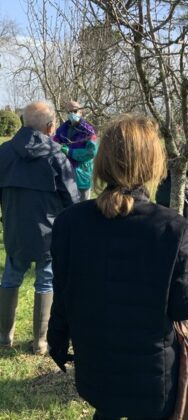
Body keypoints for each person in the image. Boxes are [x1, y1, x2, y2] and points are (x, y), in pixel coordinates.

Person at [47, 114, 188, 420]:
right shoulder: (171, 227)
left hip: (95, 368)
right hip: (152, 375)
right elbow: (184, 308)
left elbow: (62, 293)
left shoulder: (70, 222)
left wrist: (57, 340)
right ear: (153, 163)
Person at [0, 101, 79, 354]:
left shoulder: (4, 153)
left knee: (11, 278)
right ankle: (40, 342)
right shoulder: (57, 155)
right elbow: (73, 200)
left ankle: (4, 336)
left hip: (14, 230)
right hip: (48, 233)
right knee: (46, 282)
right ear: (49, 127)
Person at [53, 100, 97, 201]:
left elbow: (91, 152)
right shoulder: (62, 129)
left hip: (82, 175)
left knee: (83, 207)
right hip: (65, 175)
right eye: (68, 112)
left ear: (81, 112)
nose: (72, 114)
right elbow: (55, 143)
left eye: (75, 111)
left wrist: (70, 152)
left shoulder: (89, 131)